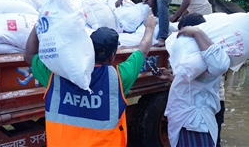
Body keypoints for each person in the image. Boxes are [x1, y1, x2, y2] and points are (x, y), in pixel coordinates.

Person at [24, 9, 157, 146]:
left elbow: (29, 55)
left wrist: (41, 22)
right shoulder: (118, 78)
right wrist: (150, 27)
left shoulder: (58, 75)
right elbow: (143, 49)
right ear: (112, 57)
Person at [157, 13, 230, 147]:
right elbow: (193, 85)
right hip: (186, 122)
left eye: (184, 32)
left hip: (195, 124)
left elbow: (220, 66)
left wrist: (196, 33)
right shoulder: (190, 56)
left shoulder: (209, 53)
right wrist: (170, 78)